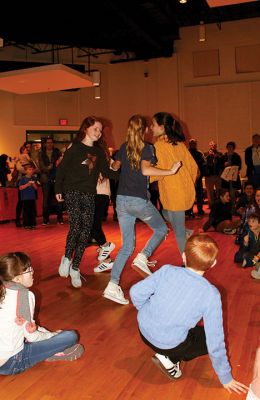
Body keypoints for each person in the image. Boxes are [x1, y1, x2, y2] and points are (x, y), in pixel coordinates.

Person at [130, 234, 248, 394]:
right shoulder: (210, 294)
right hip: (169, 344)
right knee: (206, 339)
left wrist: (147, 312)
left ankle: (167, 352)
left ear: (184, 256)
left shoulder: (166, 271)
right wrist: (225, 377)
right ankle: (170, 358)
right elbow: (215, 341)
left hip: (143, 331)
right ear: (213, 264)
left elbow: (135, 292)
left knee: (186, 330)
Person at [103, 114, 182, 305]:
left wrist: (113, 162)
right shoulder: (147, 148)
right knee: (162, 229)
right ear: (145, 129)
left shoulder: (124, 147)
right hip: (137, 201)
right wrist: (170, 171)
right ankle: (143, 257)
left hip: (121, 201)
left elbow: (114, 167)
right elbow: (146, 170)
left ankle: (112, 286)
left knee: (127, 245)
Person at [55, 116, 119, 288]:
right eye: (95, 129)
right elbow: (61, 169)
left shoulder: (98, 152)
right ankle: (67, 258)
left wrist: (129, 174)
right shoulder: (75, 148)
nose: (98, 133)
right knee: (76, 225)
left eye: (100, 130)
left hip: (90, 193)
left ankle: (75, 267)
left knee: (85, 231)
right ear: (86, 129)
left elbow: (107, 172)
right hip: (72, 190)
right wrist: (58, 189)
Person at [0, 252, 84, 375]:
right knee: (71, 336)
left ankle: (48, 348)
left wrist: (48, 333)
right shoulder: (24, 296)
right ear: (17, 278)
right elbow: (32, 336)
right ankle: (52, 352)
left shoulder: (3, 290)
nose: (32, 271)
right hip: (12, 362)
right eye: (29, 270)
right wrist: (53, 336)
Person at [150, 112, 198, 256]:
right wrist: (188, 182)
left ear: (162, 127)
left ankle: (186, 263)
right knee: (164, 213)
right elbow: (193, 167)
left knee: (178, 231)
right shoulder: (179, 144)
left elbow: (158, 169)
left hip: (173, 192)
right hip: (181, 190)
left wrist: (145, 178)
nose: (151, 128)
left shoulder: (159, 146)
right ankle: (186, 231)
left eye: (153, 125)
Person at [39, 137, 63, 225]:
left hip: (56, 177)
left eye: (51, 142)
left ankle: (60, 219)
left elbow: (61, 164)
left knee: (59, 198)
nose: (49, 144)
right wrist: (49, 168)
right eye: (48, 142)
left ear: (53, 143)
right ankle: (45, 220)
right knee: (46, 199)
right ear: (45, 144)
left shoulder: (57, 152)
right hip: (46, 178)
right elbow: (41, 166)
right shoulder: (41, 153)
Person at [187, 138, 206, 217]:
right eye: (191, 143)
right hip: (189, 177)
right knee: (190, 195)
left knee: (199, 195)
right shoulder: (186, 152)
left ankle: (200, 210)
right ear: (189, 144)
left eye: (194, 143)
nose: (193, 145)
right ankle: (189, 210)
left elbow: (203, 164)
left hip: (198, 177)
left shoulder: (199, 153)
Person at [221, 141, 242, 205]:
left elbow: (239, 167)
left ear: (234, 148)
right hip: (225, 178)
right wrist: (224, 164)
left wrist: (231, 165)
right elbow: (220, 166)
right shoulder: (223, 156)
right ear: (226, 147)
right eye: (228, 147)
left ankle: (233, 208)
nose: (230, 148)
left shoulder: (237, 156)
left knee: (232, 194)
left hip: (233, 178)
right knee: (225, 194)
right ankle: (226, 208)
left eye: (231, 147)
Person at [204, 140, 224, 206]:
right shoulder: (206, 154)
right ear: (209, 146)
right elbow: (203, 164)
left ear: (216, 146)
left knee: (219, 190)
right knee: (210, 192)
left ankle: (219, 204)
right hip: (209, 176)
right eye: (211, 145)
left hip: (218, 175)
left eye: (214, 145)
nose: (213, 146)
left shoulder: (219, 154)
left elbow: (222, 163)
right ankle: (212, 205)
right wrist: (208, 156)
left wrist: (215, 156)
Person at [18, 164, 38, 229]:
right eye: (29, 169)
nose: (31, 171)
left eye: (32, 169)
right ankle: (26, 224)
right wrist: (27, 184)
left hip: (32, 197)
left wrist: (33, 185)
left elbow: (36, 188)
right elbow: (20, 188)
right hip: (25, 198)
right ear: (26, 171)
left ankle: (32, 224)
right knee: (26, 211)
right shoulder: (23, 179)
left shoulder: (34, 178)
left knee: (32, 211)